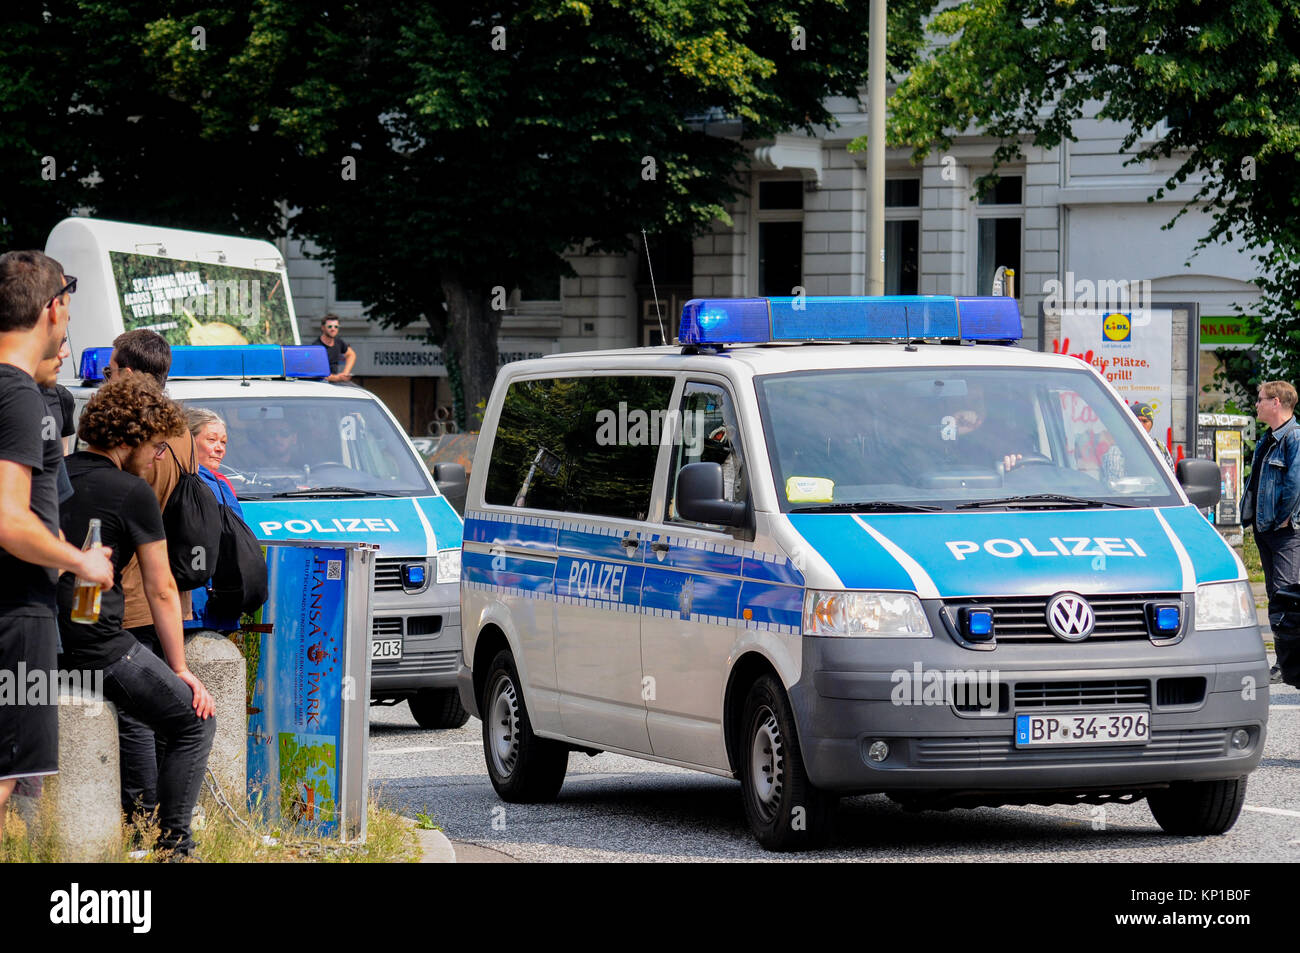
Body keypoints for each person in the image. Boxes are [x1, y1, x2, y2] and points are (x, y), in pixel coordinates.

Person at [57, 376, 215, 858]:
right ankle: (174, 846)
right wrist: (181, 670)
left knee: (136, 717)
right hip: (100, 648)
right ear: (130, 440)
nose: (158, 457)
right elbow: (163, 588)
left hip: (45, 644)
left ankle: (140, 827)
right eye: (155, 445)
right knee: (194, 722)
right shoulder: (131, 492)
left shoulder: (55, 474)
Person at [0, 251, 115, 836]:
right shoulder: (17, 394)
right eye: (68, 308)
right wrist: (83, 562)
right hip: (16, 608)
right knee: (6, 776)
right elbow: (9, 520)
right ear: (52, 308)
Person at [1239, 381, 1300, 687]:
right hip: (1267, 530)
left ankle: (1287, 665)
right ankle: (1284, 662)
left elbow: (1294, 486)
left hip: (1284, 532)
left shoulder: (1293, 437)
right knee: (1278, 597)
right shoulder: (1269, 438)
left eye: (1261, 400)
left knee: (1286, 598)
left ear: (1276, 402)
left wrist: (1279, 520)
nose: (1257, 405)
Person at [188, 407, 236, 497]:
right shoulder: (171, 481)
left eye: (223, 442)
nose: (220, 448)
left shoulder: (222, 484)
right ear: (189, 440)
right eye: (212, 439)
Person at [1130, 401, 1175, 470]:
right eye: (1137, 421)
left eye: (1145, 421)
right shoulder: (1119, 447)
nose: (1140, 424)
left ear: (1151, 424)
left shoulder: (1160, 447)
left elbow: (1170, 473)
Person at [317, 313, 356, 382]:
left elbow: (351, 354)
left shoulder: (338, 342)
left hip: (335, 384)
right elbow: (319, 373)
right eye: (330, 326)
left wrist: (345, 373)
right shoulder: (317, 347)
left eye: (336, 327)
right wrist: (337, 378)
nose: (333, 329)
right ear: (323, 328)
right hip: (321, 384)